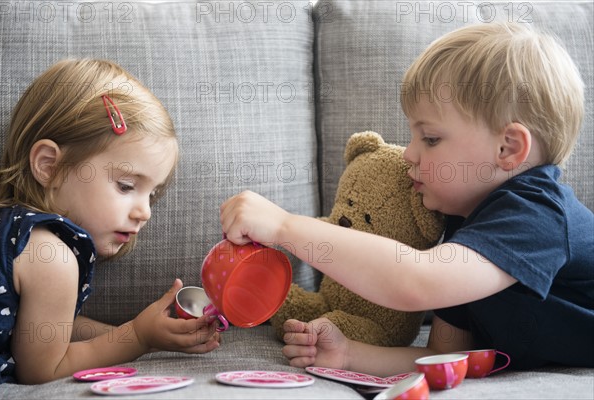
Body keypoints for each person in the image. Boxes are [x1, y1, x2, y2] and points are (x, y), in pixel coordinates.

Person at [220, 22, 594, 375]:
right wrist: (349, 354)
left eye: (430, 139)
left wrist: (285, 226)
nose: (408, 155)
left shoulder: (536, 213)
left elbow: (416, 281)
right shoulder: (467, 228)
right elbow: (444, 356)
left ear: (507, 147)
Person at [0, 59, 220, 384]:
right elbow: (42, 368)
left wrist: (137, 332)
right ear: (49, 166)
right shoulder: (52, 256)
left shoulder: (15, 231)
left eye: (152, 195)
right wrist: (138, 337)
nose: (145, 212)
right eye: (126, 186)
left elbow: (49, 327)